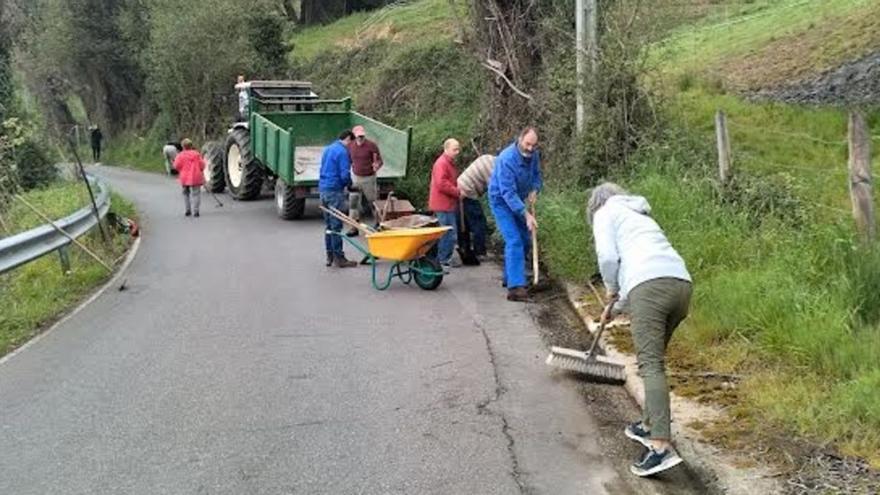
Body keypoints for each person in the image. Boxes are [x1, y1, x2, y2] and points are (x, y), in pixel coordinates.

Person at [587, 182, 693, 478]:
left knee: (651, 365)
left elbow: (609, 259)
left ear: (597, 204)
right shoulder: (639, 215)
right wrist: (615, 307)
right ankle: (647, 424)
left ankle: (660, 447)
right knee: (655, 362)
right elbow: (641, 267)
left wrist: (610, 289)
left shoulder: (604, 213)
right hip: (680, 285)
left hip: (650, 289)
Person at [487, 127, 542, 302]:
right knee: (514, 240)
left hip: (519, 200)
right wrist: (526, 215)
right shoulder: (506, 159)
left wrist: (535, 189)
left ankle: (510, 276)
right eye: (527, 144)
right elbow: (507, 193)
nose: (530, 149)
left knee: (525, 240)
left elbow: (536, 176)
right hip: (502, 202)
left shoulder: (533, 156)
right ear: (520, 140)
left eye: (533, 145)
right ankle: (515, 289)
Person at [319, 130, 358, 268]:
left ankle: (329, 256)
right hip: (335, 190)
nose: (351, 146)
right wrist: (349, 185)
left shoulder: (328, 149)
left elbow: (322, 167)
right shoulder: (342, 152)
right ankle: (339, 258)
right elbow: (344, 174)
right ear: (348, 139)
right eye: (351, 143)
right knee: (336, 225)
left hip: (323, 189)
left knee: (328, 226)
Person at [428, 138, 462, 267]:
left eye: (458, 149)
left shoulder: (449, 163)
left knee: (450, 232)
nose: (457, 152)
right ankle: (443, 259)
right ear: (446, 149)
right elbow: (441, 184)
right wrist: (457, 191)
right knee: (447, 233)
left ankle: (444, 258)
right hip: (442, 204)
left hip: (448, 203)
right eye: (455, 149)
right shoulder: (441, 163)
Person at [346, 125, 383, 237]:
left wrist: (377, 165)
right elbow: (348, 159)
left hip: (369, 178)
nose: (360, 138)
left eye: (362, 136)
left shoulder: (371, 145)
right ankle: (353, 228)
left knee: (373, 203)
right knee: (353, 204)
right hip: (355, 177)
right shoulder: (350, 146)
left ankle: (378, 224)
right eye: (358, 136)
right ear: (354, 136)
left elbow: (380, 161)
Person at [456, 154, 495, 257]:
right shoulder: (492, 167)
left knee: (464, 223)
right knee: (479, 222)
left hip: (460, 189)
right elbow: (495, 188)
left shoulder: (487, 158)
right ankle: (480, 251)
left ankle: (465, 248)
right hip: (467, 193)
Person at [173, 138, 206, 218]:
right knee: (196, 194)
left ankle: (188, 210)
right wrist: (200, 169)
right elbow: (202, 165)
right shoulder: (196, 154)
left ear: (183, 146)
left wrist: (181, 169)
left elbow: (176, 166)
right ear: (191, 146)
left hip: (184, 177)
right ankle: (196, 211)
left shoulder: (180, 155)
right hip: (196, 176)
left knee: (186, 193)